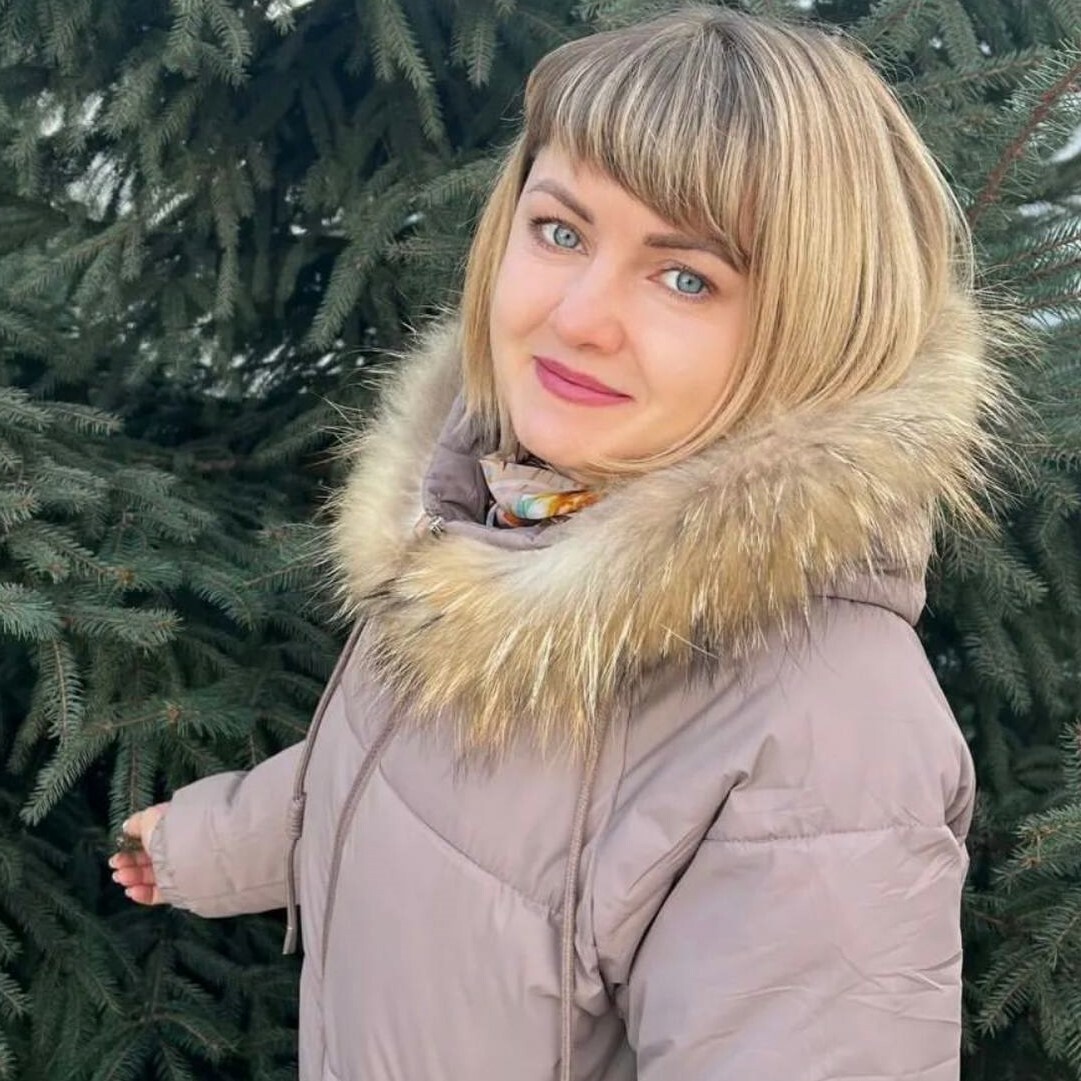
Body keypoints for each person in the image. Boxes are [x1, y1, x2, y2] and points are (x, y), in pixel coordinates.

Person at [108, 7, 1001, 1079]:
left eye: (686, 276)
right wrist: (205, 843)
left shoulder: (821, 744)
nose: (578, 317)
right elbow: (416, 778)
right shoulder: (506, 511)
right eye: (561, 231)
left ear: (814, 327)